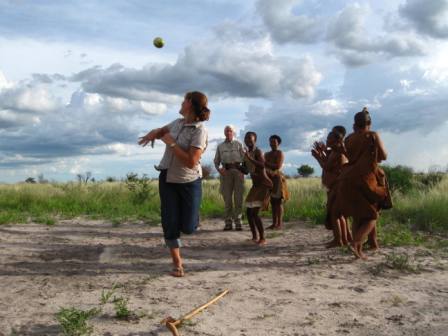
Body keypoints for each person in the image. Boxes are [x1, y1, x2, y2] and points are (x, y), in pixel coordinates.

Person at [138, 91, 210, 277]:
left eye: (184, 100)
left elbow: (191, 161)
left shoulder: (199, 130)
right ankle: (177, 263)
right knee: (169, 222)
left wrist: (170, 143)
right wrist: (151, 135)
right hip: (167, 177)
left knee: (187, 227)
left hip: (188, 181)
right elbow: (161, 131)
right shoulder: (176, 123)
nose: (181, 102)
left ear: (191, 105)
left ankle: (192, 219)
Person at [337, 107, 389, 260]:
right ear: (369, 123)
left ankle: (359, 251)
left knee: (358, 216)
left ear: (355, 124)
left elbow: (349, 156)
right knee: (372, 216)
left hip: (347, 177)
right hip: (365, 178)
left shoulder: (349, 138)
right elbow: (384, 156)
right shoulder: (372, 135)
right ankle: (355, 243)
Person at [312, 130, 351, 247]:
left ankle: (338, 240)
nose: (327, 140)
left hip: (337, 186)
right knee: (339, 214)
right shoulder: (334, 152)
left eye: (329, 139)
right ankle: (343, 239)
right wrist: (322, 153)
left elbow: (326, 166)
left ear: (338, 141)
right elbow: (328, 164)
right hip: (335, 186)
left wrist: (317, 156)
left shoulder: (338, 153)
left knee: (335, 214)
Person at [242, 131, 273, 245]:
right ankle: (254, 236)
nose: (248, 141)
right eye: (246, 139)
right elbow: (246, 171)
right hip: (255, 186)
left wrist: (249, 158)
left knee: (255, 213)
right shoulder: (247, 153)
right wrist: (234, 166)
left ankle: (263, 238)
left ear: (255, 140)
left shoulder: (257, 151)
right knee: (249, 213)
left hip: (264, 185)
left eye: (250, 139)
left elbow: (262, 165)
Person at [213, 125, 245, 231]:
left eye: (230, 131)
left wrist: (243, 171)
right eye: (226, 131)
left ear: (233, 132)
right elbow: (216, 161)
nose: (228, 132)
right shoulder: (220, 146)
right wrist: (219, 169)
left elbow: (245, 159)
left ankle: (239, 222)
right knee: (227, 199)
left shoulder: (239, 144)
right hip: (226, 173)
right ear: (224, 133)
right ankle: (228, 223)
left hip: (238, 173)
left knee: (238, 198)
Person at [265, 135, 289, 230]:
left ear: (278, 143)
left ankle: (279, 224)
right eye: (271, 142)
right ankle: (274, 223)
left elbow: (277, 166)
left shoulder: (280, 153)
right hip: (269, 178)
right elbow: (264, 165)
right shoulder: (267, 154)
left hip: (277, 178)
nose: (272, 144)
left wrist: (265, 163)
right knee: (272, 201)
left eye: (274, 142)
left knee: (278, 202)